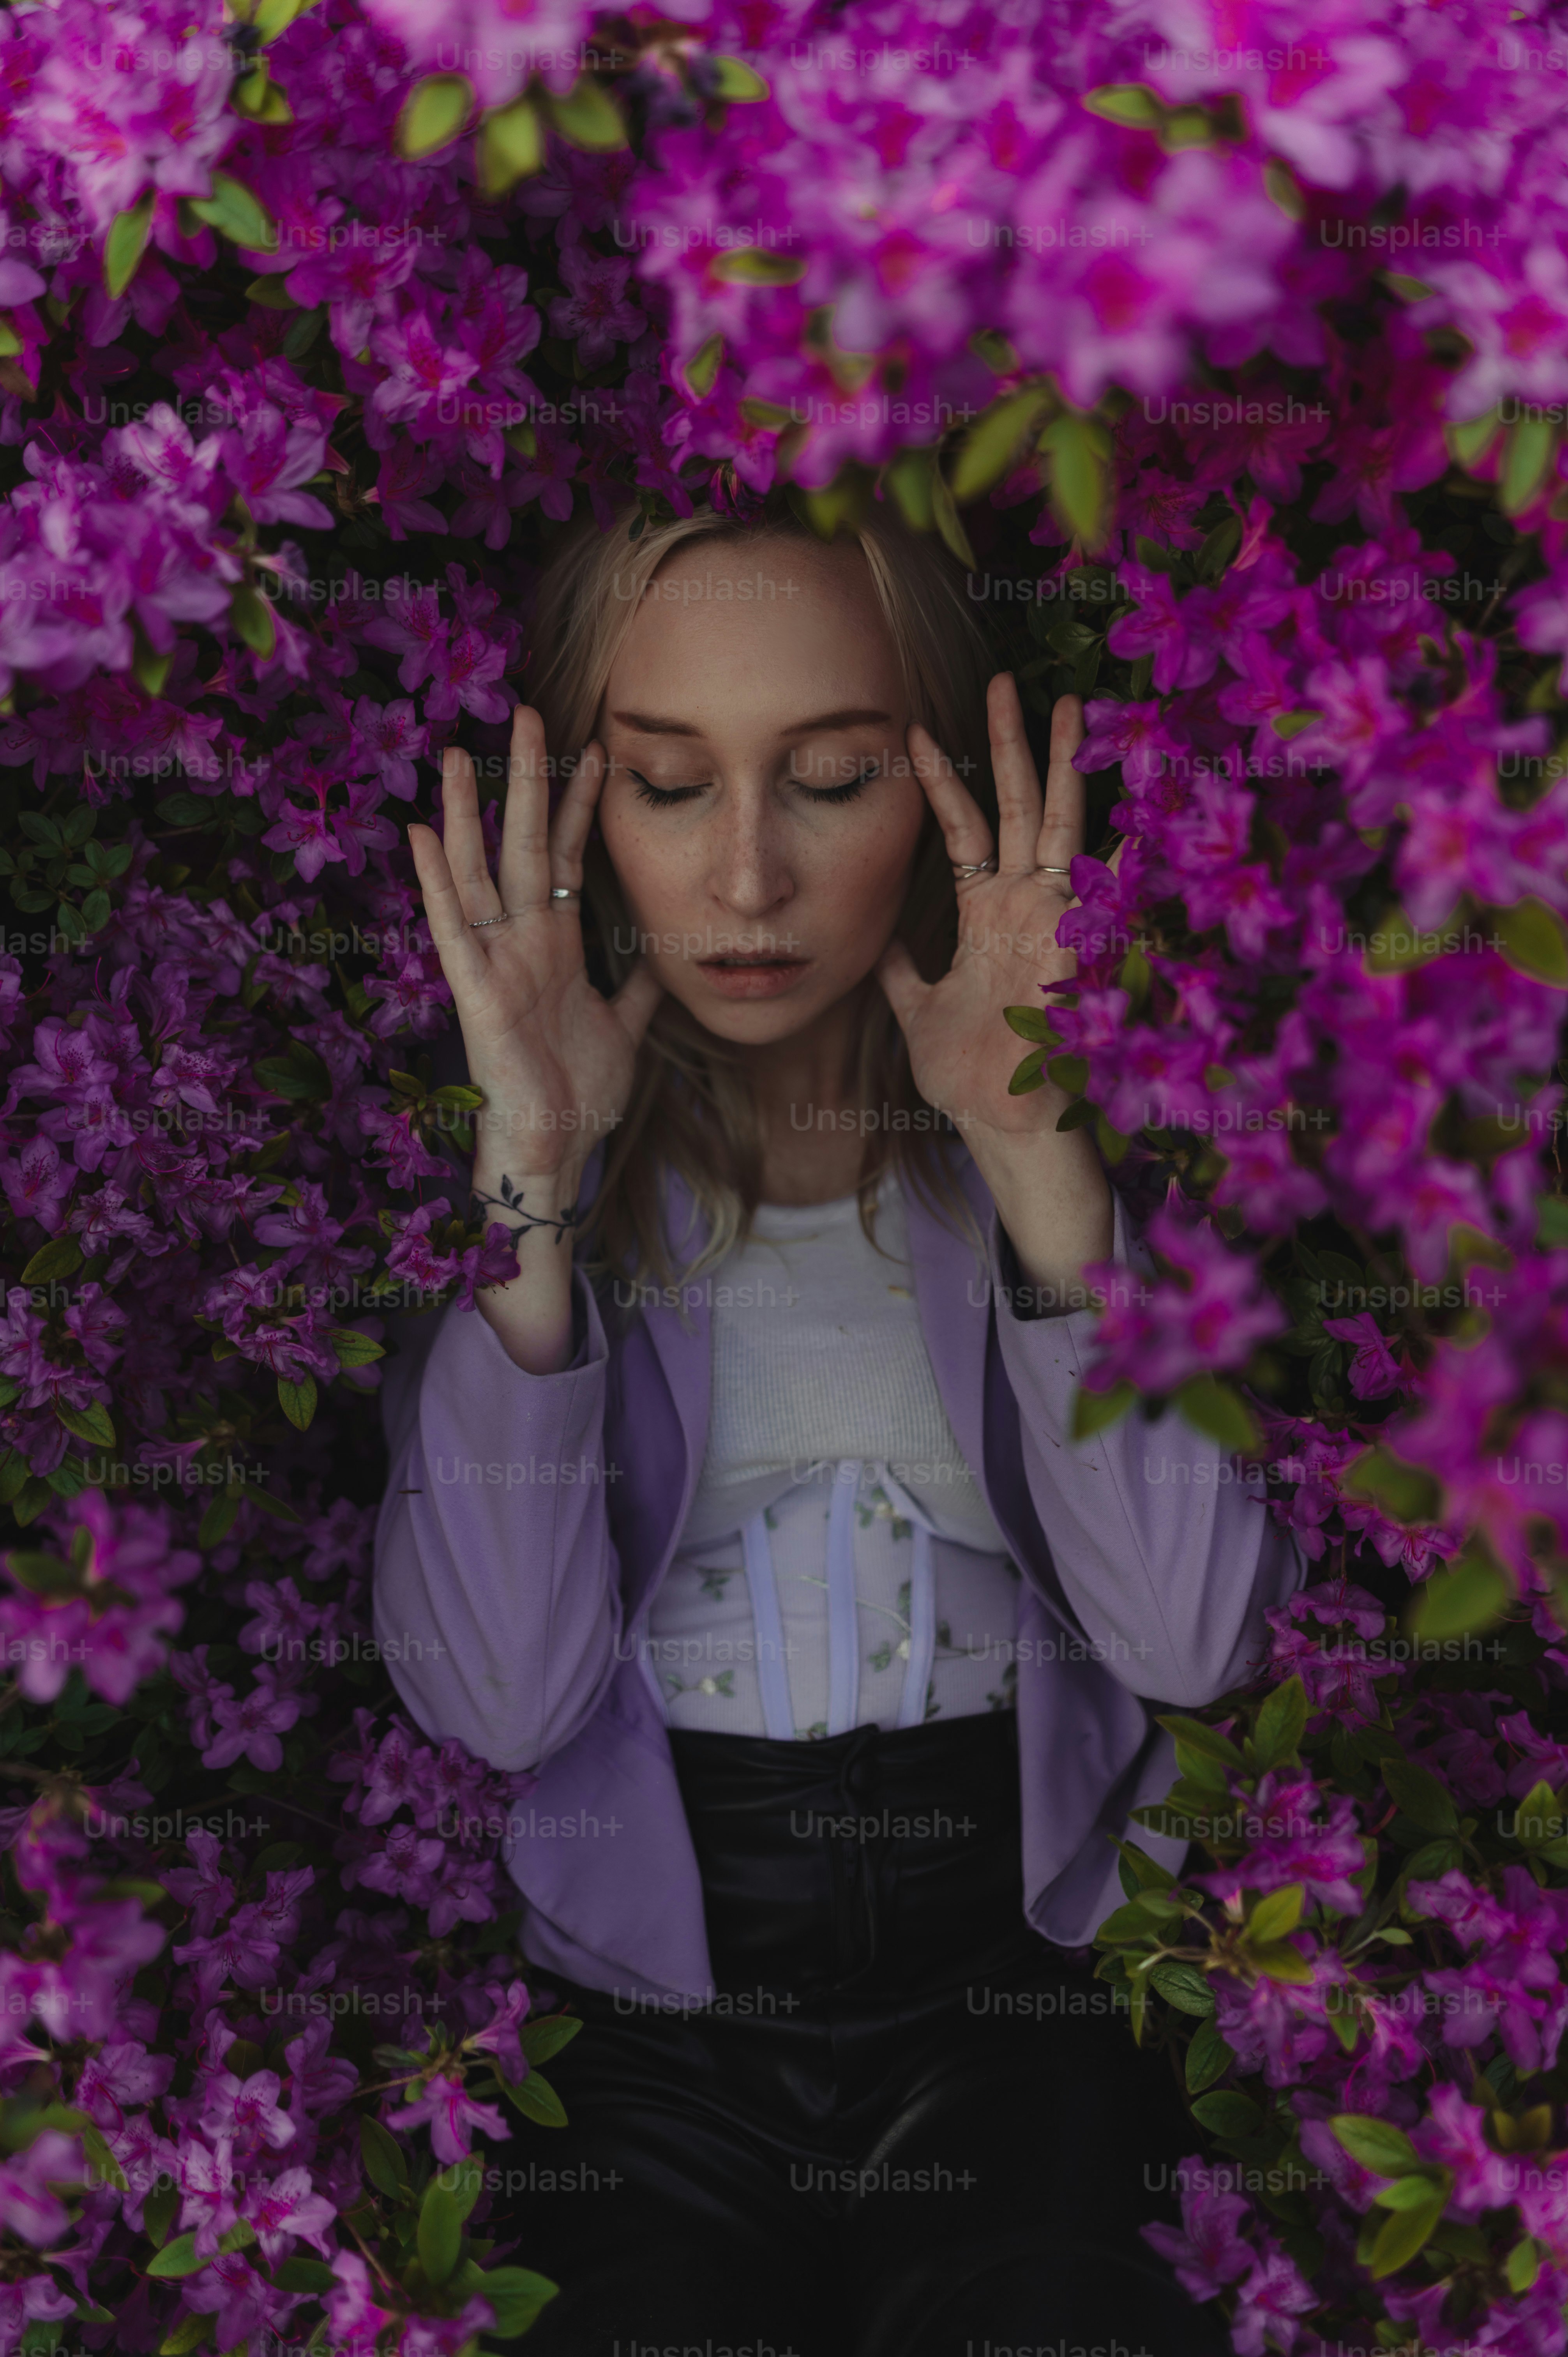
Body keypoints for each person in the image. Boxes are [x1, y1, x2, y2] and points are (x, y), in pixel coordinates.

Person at [373, 493, 1301, 2357]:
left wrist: (1036, 1154)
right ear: (579, 825)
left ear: (949, 795)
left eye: (831, 776)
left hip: (1018, 1999)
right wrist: (532, 1178)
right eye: (665, 784)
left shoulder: (1069, 1172)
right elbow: (498, 1702)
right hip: (653, 2032)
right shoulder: (501, 1205)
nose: (742, 881)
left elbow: (1195, 1644)